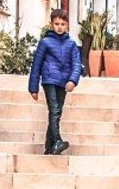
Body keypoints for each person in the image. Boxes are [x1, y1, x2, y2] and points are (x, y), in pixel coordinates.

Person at [27, 9, 82, 155]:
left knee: (57, 113)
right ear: (51, 24)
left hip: (63, 83)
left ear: (67, 25)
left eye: (62, 24)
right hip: (49, 80)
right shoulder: (45, 42)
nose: (59, 27)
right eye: (56, 24)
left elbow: (77, 64)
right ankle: (57, 140)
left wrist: (73, 80)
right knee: (54, 110)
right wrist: (33, 88)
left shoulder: (71, 44)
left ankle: (49, 147)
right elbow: (36, 65)